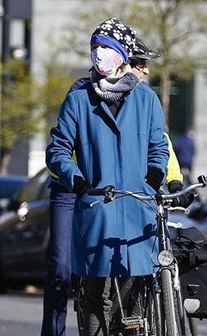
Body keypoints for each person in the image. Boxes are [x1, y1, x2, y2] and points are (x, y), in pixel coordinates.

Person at [40, 34, 193, 336]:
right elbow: (58, 150)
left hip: (134, 203)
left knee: (134, 285)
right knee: (67, 273)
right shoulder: (79, 97)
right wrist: (77, 180)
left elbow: (161, 146)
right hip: (87, 198)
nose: (145, 69)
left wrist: (164, 177)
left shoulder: (146, 99)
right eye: (140, 63)